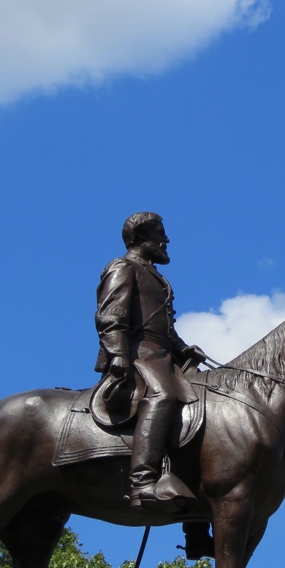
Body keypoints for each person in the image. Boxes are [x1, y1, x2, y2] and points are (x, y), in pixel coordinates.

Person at [91, 212, 206, 513]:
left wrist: (183, 349)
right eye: (160, 234)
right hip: (138, 355)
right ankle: (142, 483)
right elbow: (110, 316)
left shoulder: (154, 275)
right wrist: (118, 355)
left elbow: (161, 327)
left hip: (162, 355)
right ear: (142, 237)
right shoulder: (123, 267)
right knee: (163, 396)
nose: (165, 240)